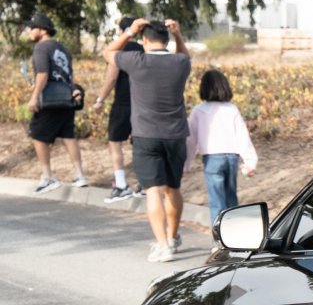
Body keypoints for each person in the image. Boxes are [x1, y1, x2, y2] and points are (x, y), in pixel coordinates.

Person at [94, 18, 192, 262]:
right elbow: (185, 55)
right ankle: (172, 236)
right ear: (167, 40)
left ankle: (162, 246)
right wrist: (178, 35)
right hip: (176, 135)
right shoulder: (180, 62)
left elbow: (108, 52)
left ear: (145, 40)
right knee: (173, 188)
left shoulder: (136, 61)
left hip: (146, 136)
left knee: (153, 192)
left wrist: (129, 32)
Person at [23, 13, 87, 193]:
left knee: (37, 134)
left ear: (43, 31)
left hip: (50, 99)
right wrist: (74, 91)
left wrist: (34, 96)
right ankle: (80, 175)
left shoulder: (41, 47)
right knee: (68, 135)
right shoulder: (62, 48)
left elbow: (43, 74)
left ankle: (48, 177)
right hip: (66, 98)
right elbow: (69, 75)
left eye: (32, 27)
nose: (29, 30)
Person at [186, 68, 257, 225]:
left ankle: (220, 241)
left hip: (212, 158)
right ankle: (235, 239)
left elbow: (191, 140)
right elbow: (242, 136)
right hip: (232, 157)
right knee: (231, 198)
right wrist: (250, 162)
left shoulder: (199, 110)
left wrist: (186, 165)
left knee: (217, 201)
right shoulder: (231, 109)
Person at [102, 15, 144, 202]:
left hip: (122, 103)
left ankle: (121, 185)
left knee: (115, 143)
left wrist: (99, 99)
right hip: (142, 103)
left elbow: (111, 77)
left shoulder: (119, 50)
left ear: (122, 31)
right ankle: (143, 184)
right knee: (140, 144)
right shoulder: (146, 49)